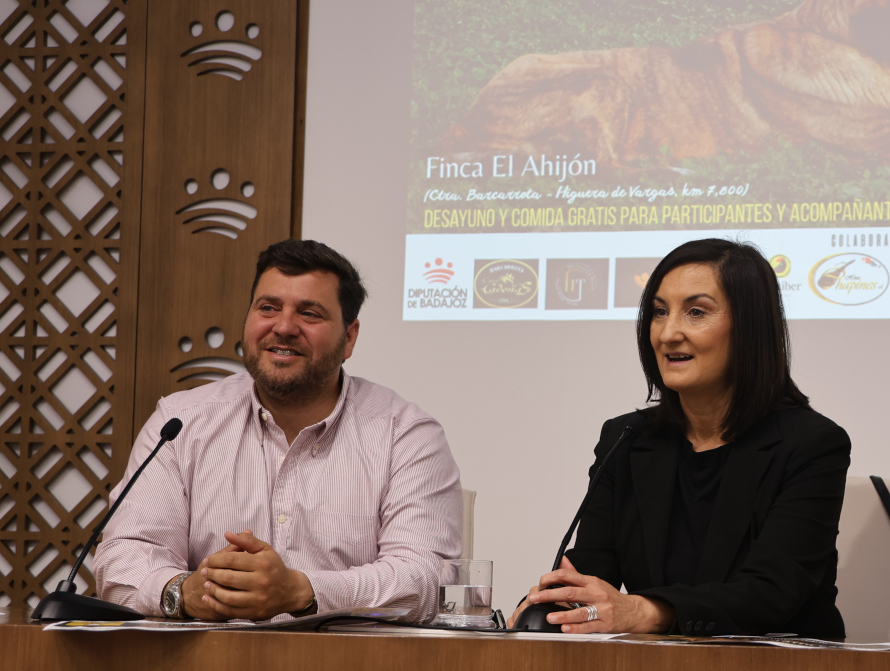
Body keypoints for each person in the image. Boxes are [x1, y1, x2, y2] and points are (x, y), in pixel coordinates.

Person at [95, 239, 462, 621]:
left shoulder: (406, 436)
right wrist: (184, 592)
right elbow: (123, 558)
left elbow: (426, 579)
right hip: (207, 657)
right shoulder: (180, 423)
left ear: (349, 337)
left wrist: (302, 592)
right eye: (268, 308)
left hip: (351, 658)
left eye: (310, 314)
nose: (284, 327)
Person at [512, 238, 850, 637]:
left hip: (779, 668)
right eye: (659, 312)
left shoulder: (812, 444)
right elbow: (591, 573)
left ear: (750, 326)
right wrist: (556, 605)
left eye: (696, 312)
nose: (668, 333)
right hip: (656, 668)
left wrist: (647, 611)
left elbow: (771, 593)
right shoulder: (626, 439)